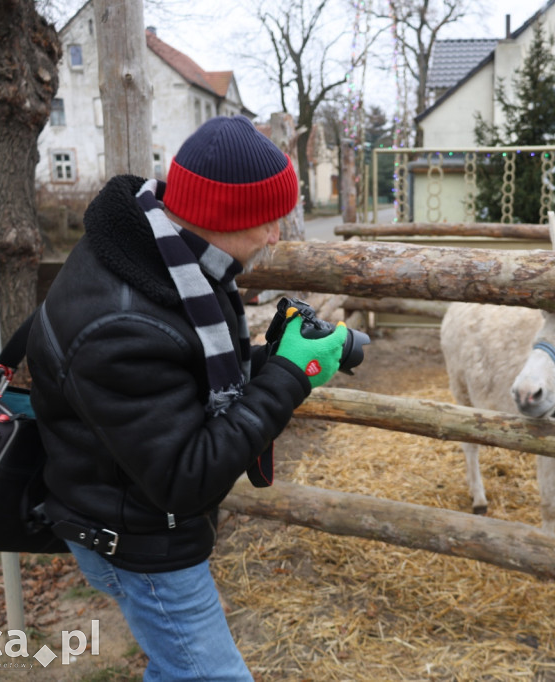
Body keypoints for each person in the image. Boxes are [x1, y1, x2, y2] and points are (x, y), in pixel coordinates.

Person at [27, 115, 349, 680]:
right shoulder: (124, 325)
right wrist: (289, 377)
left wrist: (277, 359)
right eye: (267, 220)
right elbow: (185, 476)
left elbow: (183, 379)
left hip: (132, 512)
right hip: (137, 541)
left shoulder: (165, 256)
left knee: (177, 668)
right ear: (223, 216)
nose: (276, 236)